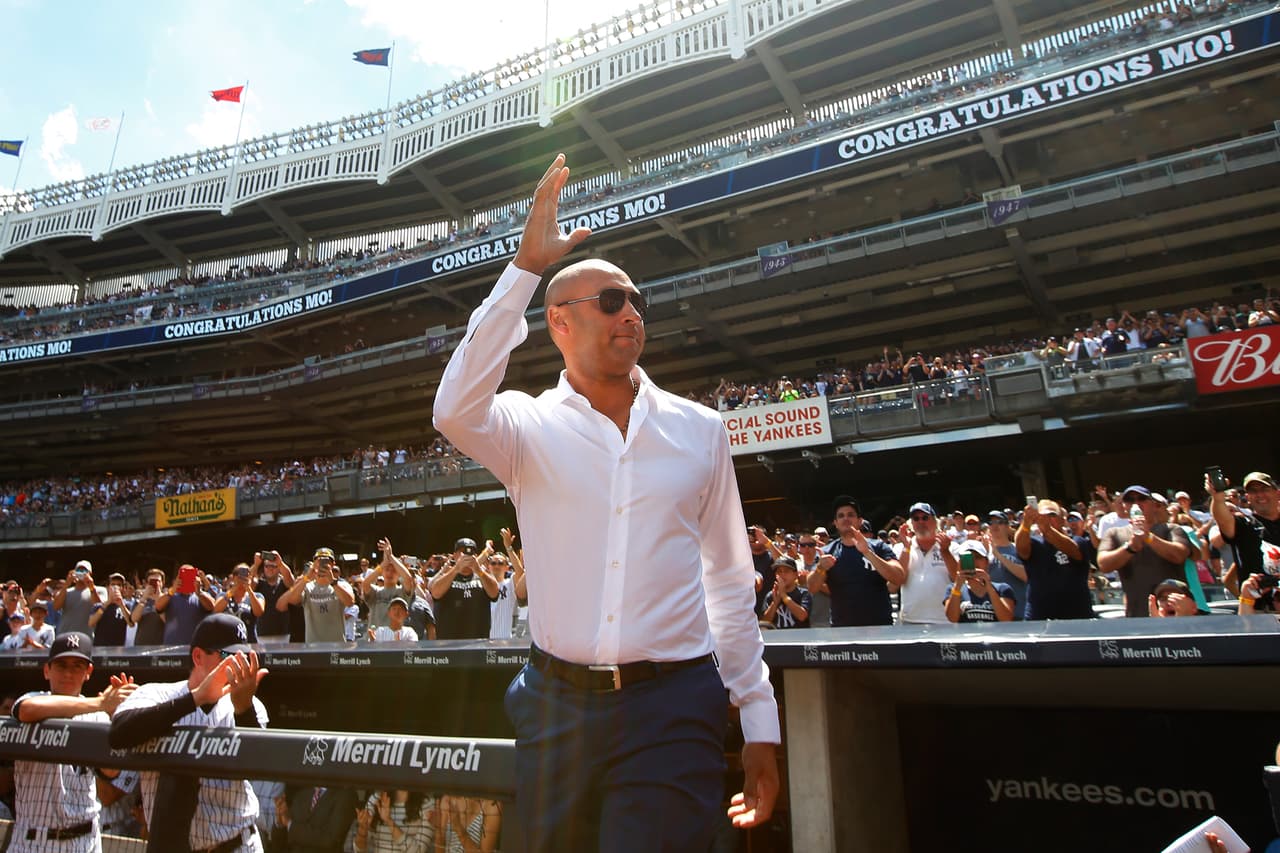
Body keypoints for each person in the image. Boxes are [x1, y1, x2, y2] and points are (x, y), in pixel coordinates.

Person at [432, 154, 779, 852]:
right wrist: (523, 270)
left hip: (673, 706)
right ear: (558, 322)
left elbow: (729, 582)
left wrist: (760, 720)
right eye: (612, 302)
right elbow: (452, 408)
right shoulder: (524, 427)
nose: (632, 314)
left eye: (637, 301)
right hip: (554, 706)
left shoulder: (701, 429)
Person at [110, 613, 269, 853]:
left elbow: (257, 766)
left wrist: (244, 709)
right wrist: (196, 698)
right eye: (228, 656)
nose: (238, 664)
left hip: (238, 844)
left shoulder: (249, 704)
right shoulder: (156, 694)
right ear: (198, 657)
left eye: (243, 657)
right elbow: (119, 733)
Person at [9, 632, 136, 853]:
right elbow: (26, 710)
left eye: (77, 666)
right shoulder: (34, 698)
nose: (68, 673)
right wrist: (100, 703)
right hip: (33, 840)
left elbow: (111, 773)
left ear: (88, 672)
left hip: (83, 840)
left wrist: (119, 720)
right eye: (61, 665)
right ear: (47, 670)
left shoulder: (98, 716)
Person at [807, 496, 904, 627]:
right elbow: (811, 588)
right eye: (841, 516)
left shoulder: (878, 547)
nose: (845, 518)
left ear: (859, 521)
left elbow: (898, 577)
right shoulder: (826, 552)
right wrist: (820, 568)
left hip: (879, 628)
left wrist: (868, 553)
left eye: (850, 515)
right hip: (842, 630)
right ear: (835, 523)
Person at [1097, 486, 1191, 617]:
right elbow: (1103, 564)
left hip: (1174, 611)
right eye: (1130, 500)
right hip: (1137, 612)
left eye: (1142, 498)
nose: (1136, 503)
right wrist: (1130, 547)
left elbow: (1179, 555)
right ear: (1124, 506)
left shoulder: (1171, 529)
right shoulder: (1114, 533)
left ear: (1154, 505)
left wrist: (1148, 537)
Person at [1016, 499, 1094, 620]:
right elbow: (1021, 549)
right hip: (1040, 616)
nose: (1047, 519)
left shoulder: (1078, 541)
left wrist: (1047, 529)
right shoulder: (1034, 543)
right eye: (1042, 516)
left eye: (1052, 515)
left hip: (1076, 615)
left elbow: (1075, 552)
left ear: (1063, 520)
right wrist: (1026, 523)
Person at [895, 502, 957, 625]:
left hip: (944, 620)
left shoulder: (952, 547)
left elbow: (958, 577)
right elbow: (896, 582)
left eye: (925, 518)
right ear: (911, 524)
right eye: (916, 519)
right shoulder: (900, 548)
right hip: (910, 620)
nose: (920, 522)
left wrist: (945, 551)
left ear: (935, 522)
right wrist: (906, 548)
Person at [428, 539, 500, 641]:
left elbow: (494, 594)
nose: (465, 555)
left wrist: (478, 570)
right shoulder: (447, 575)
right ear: (454, 555)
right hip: (449, 642)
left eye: (469, 552)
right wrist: (456, 569)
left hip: (477, 641)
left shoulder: (482, 575)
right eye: (461, 552)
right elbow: (435, 593)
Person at [277, 549, 354, 644]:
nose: (322, 564)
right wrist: (306, 578)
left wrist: (333, 582)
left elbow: (350, 602)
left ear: (333, 564)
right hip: (313, 646)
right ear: (314, 563)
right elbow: (293, 600)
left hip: (337, 644)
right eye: (319, 561)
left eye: (326, 561)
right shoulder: (307, 587)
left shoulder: (342, 585)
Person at [944, 541, 1016, 623]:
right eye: (967, 558)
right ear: (960, 563)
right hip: (967, 635)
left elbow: (1006, 619)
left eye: (977, 557)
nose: (973, 562)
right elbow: (952, 618)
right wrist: (958, 585)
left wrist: (988, 586)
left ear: (986, 562)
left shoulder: (1002, 589)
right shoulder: (953, 589)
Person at [273, 784, 357, 853]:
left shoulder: (345, 795)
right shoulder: (302, 793)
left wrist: (289, 824)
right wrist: (280, 822)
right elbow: (279, 843)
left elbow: (329, 839)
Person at [353, 790, 435, 853]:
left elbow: (418, 851)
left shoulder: (426, 803)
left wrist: (389, 821)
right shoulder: (376, 798)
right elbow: (359, 850)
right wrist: (362, 829)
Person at [54, 560, 105, 636]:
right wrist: (66, 584)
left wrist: (91, 587)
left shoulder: (100, 590)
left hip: (88, 636)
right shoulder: (65, 592)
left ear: (90, 573)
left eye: (84, 571)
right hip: (65, 635)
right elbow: (56, 607)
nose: (81, 573)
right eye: (78, 570)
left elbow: (99, 608)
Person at [761, 558, 811, 629]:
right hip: (777, 638)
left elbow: (802, 616)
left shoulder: (803, 594)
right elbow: (765, 622)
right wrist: (775, 603)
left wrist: (784, 596)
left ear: (795, 574)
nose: (782, 574)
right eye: (779, 571)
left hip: (800, 638)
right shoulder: (771, 595)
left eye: (786, 571)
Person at [131, 569, 168, 646]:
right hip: (141, 645)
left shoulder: (167, 600)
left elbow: (168, 621)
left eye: (158, 581)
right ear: (146, 583)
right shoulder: (140, 600)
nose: (156, 584)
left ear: (162, 583)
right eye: (152, 581)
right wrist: (144, 598)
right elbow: (134, 619)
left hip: (161, 646)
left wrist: (158, 599)